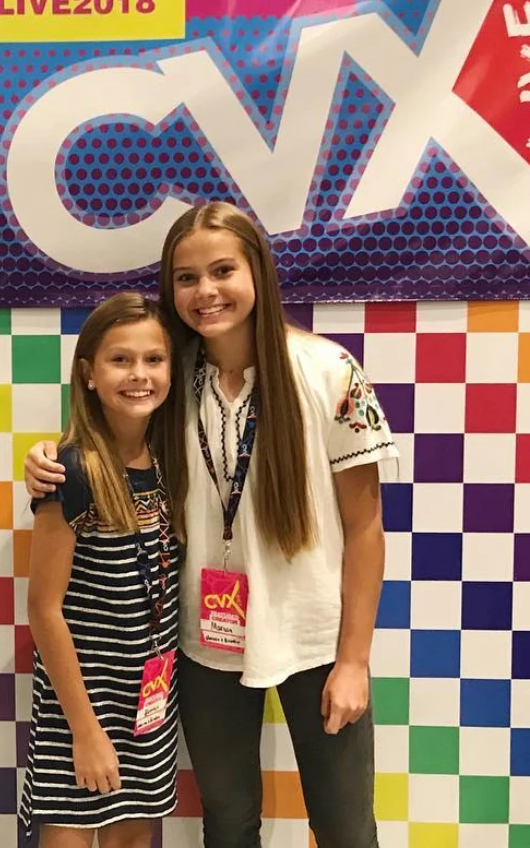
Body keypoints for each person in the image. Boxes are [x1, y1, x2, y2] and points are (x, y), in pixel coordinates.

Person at [24, 202, 397, 848]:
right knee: (227, 822)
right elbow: (111, 441)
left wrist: (353, 660)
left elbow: (365, 527)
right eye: (186, 278)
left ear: (257, 272)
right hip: (203, 643)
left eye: (222, 270)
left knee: (344, 827)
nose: (205, 291)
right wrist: (46, 461)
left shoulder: (330, 371)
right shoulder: (171, 378)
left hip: (314, 639)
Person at [20, 292, 184, 848]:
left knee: (134, 837)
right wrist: (85, 731)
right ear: (89, 374)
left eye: (154, 359)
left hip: (150, 700)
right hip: (79, 705)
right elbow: (44, 609)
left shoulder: (171, 464)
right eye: (120, 359)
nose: (139, 374)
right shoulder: (71, 470)